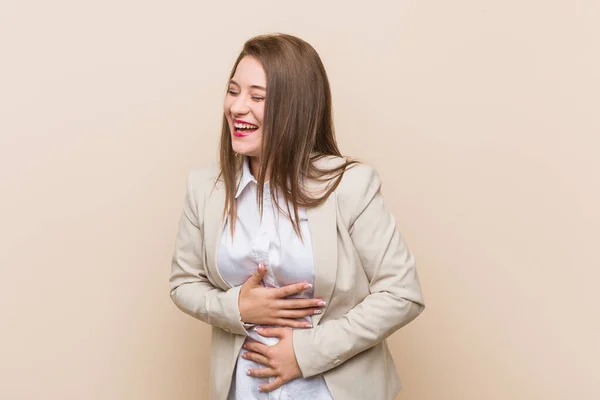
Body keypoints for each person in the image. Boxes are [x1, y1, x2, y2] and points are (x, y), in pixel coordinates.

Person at [169, 33, 425, 400]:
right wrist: (237, 306)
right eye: (233, 91)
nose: (238, 107)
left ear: (296, 109)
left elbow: (402, 294)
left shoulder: (349, 185)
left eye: (257, 97)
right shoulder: (204, 188)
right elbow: (183, 285)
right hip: (244, 390)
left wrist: (305, 352)